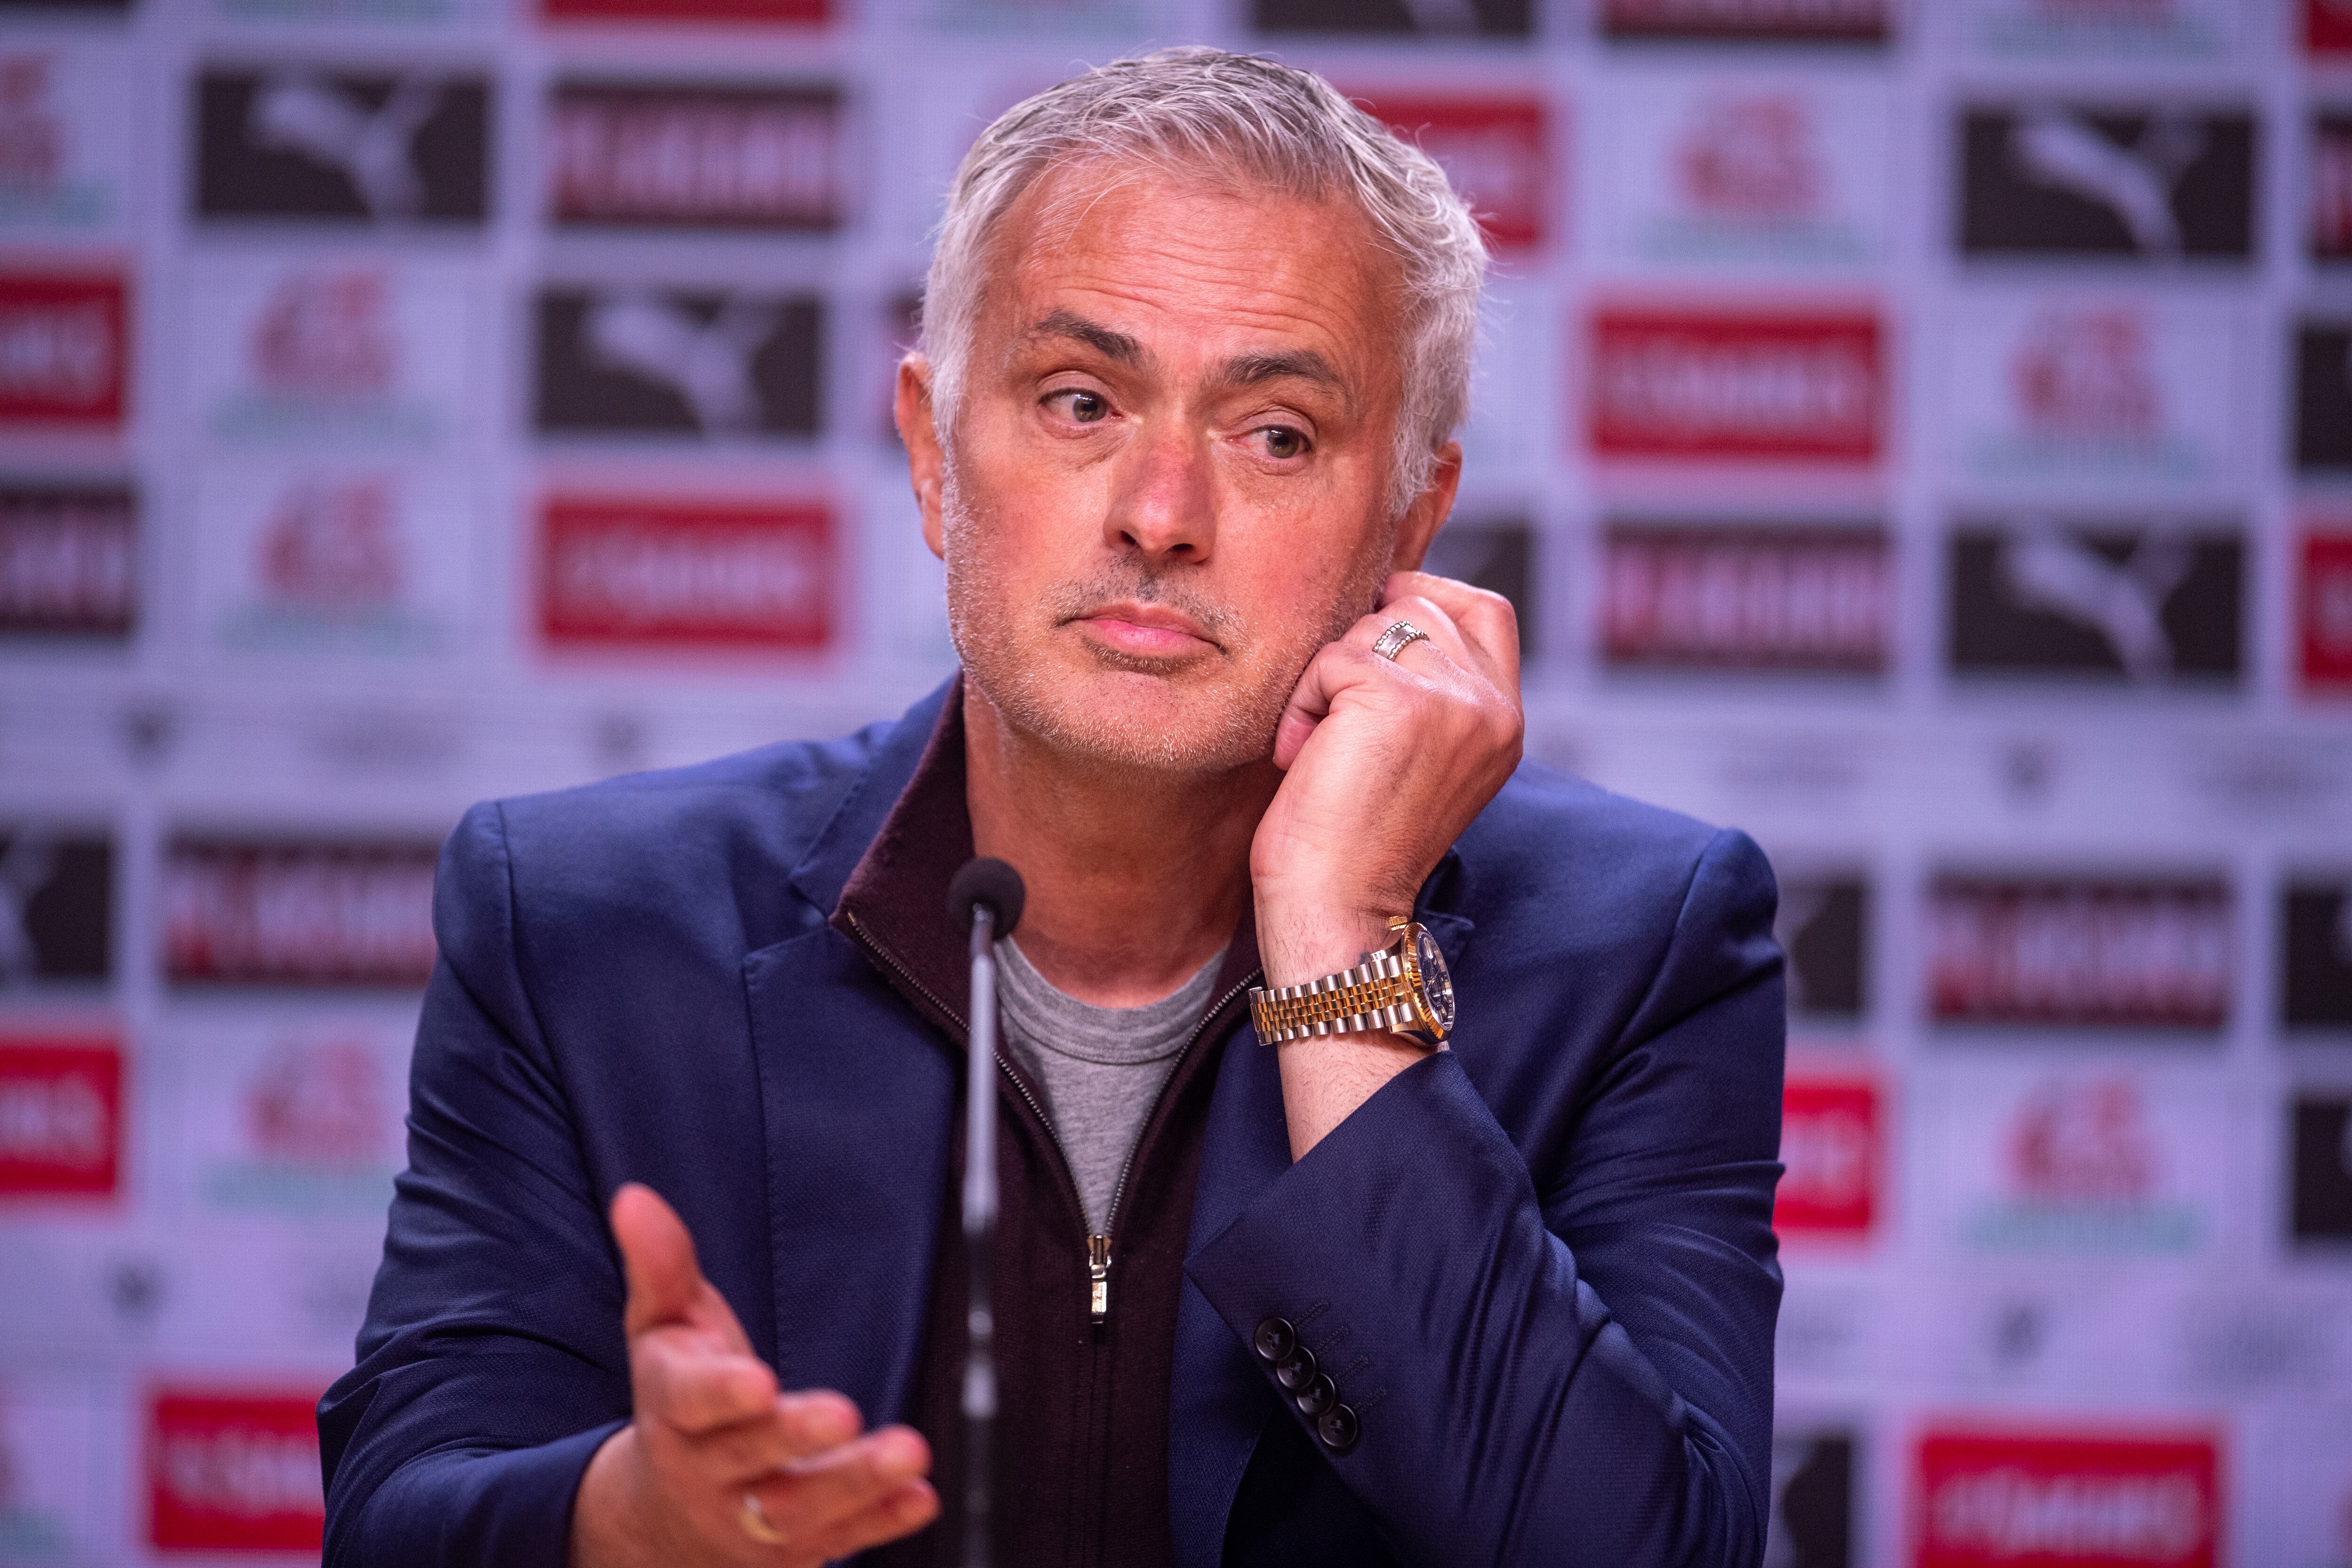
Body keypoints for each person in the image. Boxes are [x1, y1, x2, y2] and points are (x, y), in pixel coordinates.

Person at [319, 47, 1786, 1568]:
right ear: (937, 456)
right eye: (1081, 401)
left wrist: (1347, 943)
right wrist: (626, 1521)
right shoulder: (581, 923)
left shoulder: (1641, 949)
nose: (1161, 513)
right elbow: (393, 1527)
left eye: (1275, 433)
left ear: (1410, 519)